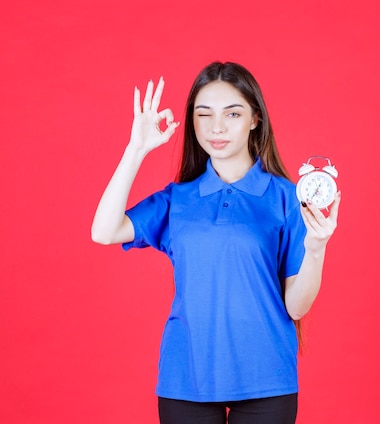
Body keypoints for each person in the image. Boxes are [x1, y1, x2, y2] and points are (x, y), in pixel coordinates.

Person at [91, 62, 340, 424]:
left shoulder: (286, 197)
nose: (216, 127)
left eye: (233, 113)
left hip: (266, 378)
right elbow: (103, 232)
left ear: (255, 119)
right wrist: (136, 149)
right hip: (186, 377)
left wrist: (317, 248)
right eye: (203, 114)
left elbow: (296, 307)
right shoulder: (178, 199)